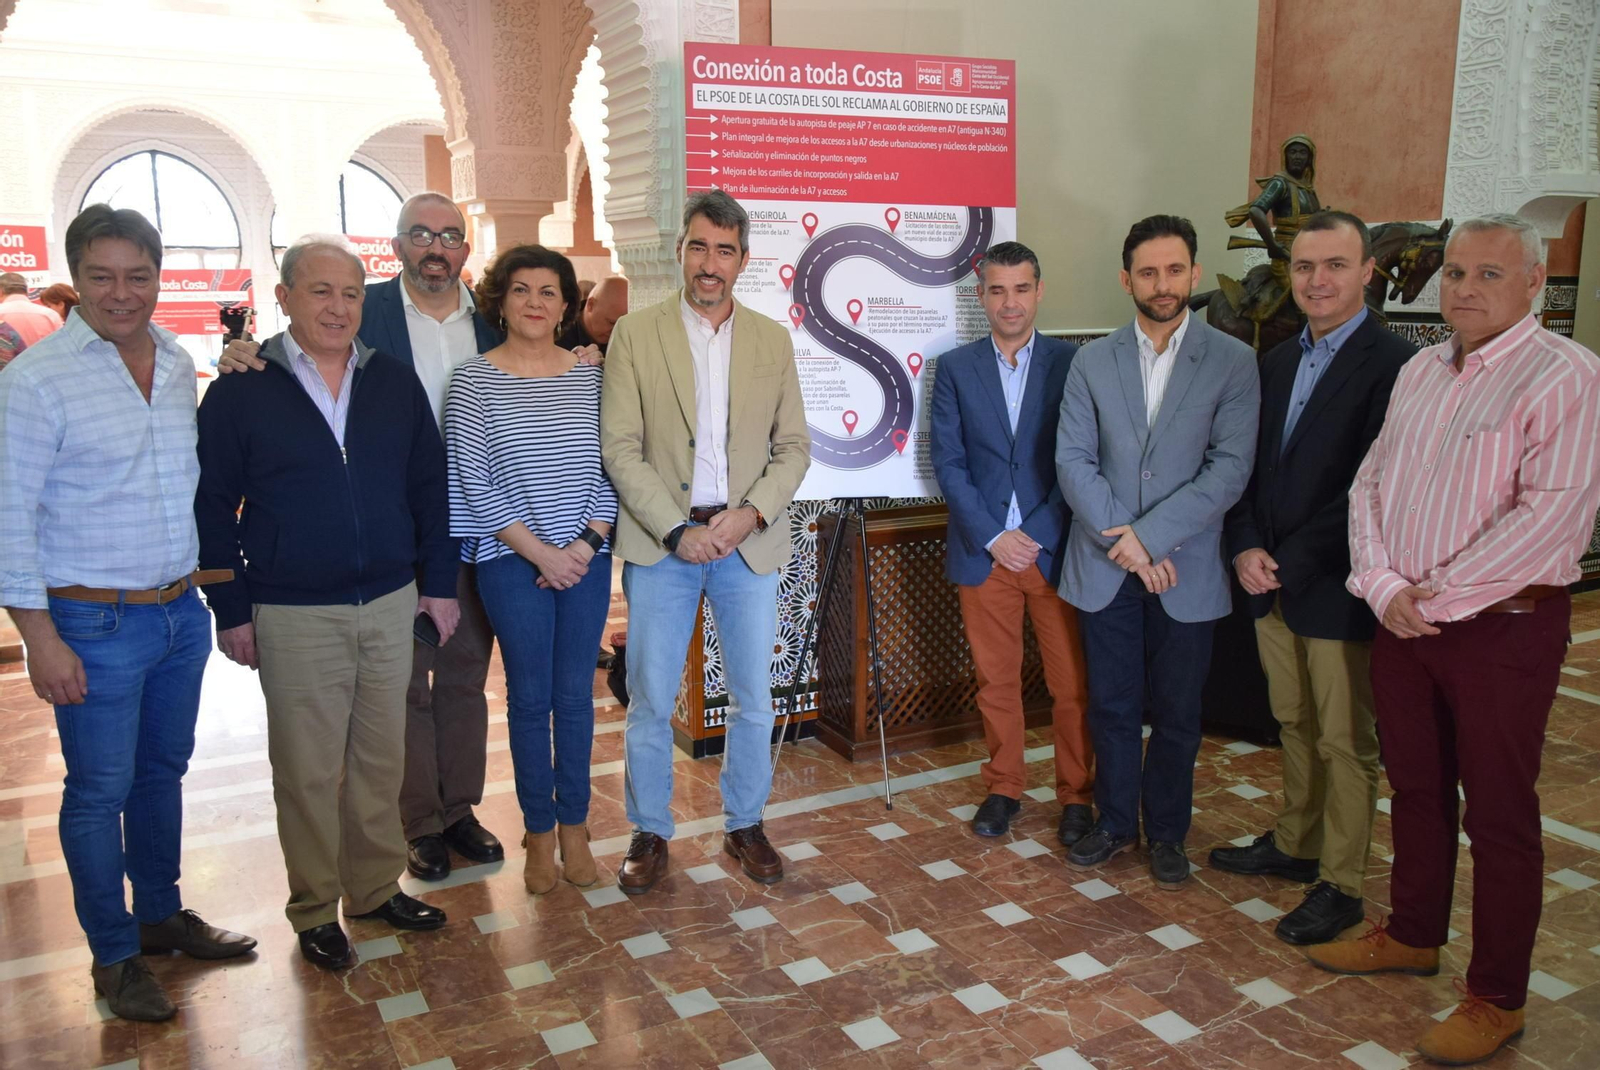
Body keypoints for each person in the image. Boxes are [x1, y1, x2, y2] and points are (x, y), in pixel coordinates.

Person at [1306, 214, 1600, 1066]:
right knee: (1418, 790)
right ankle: (1411, 933)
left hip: (1501, 632)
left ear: (1535, 282)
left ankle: (1497, 996)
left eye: (1489, 275)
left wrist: (1437, 597)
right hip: (1406, 622)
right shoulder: (1423, 369)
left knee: (1502, 815)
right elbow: (1371, 482)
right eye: (1457, 272)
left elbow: (1552, 519)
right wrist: (1387, 586)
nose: (1465, 288)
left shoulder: (1567, 377)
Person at [218, 193, 530, 882]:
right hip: (391, 532)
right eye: (421, 234)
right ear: (400, 245)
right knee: (402, 695)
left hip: (482, 528)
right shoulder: (370, 314)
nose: (436, 247)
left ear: (465, 250)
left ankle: (459, 810)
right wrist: (245, 352)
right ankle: (415, 820)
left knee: (464, 678)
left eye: (450, 235)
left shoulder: (491, 319)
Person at [0, 205, 255, 1023]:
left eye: (138, 276)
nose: (123, 294)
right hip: (90, 625)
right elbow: (9, 517)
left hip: (177, 613)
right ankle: (113, 956)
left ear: (156, 277)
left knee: (160, 776)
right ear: (76, 281)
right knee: (96, 790)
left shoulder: (179, 362)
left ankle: (159, 915)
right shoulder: (35, 381)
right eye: (103, 277)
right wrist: (38, 638)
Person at [195, 236, 457, 971]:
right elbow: (212, 508)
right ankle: (314, 908)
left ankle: (373, 888)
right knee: (307, 771)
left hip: (389, 601)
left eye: (348, 293)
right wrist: (233, 610)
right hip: (292, 611)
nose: (337, 307)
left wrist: (437, 583)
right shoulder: (240, 391)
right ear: (283, 299)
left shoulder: (393, 383)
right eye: (319, 292)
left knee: (381, 759)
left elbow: (429, 490)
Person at [1210, 211, 1413, 945]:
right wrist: (1242, 548)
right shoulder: (1276, 362)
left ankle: (1343, 883)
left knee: (1344, 740)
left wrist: (1289, 559)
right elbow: (1249, 472)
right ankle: (1297, 843)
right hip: (1268, 580)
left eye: (1334, 265)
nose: (1316, 280)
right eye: (1303, 267)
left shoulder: (1394, 364)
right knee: (1292, 723)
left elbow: (1371, 484)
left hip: (1336, 586)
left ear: (1367, 273)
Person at [601, 189, 810, 894]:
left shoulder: (771, 339)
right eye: (699, 247)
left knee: (755, 698)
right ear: (680, 252)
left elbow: (794, 449)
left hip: (746, 542)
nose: (710, 263)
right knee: (653, 699)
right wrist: (675, 528)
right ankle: (650, 831)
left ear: (743, 260)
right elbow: (621, 448)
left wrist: (748, 514)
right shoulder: (635, 334)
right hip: (665, 546)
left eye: (724, 250)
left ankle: (744, 823)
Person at [1055, 214, 1259, 889]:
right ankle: (1116, 824)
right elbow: (1074, 463)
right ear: (1127, 279)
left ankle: (1168, 832)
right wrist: (1129, 545)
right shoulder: (1092, 359)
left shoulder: (1234, 361)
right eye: (1148, 271)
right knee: (1112, 706)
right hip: (1107, 570)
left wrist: (1150, 538)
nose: (1162, 283)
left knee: (1177, 714)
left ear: (1195, 274)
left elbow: (1228, 469)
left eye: (1175, 270)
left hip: (1187, 568)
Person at [445, 244, 617, 895]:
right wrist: (541, 552)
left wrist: (584, 544)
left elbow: (612, 467)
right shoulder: (474, 381)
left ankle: (576, 829)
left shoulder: (590, 377)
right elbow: (475, 482)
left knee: (576, 698)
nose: (535, 302)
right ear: (500, 300)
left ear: (568, 305)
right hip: (509, 561)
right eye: (521, 290)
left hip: (587, 558)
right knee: (529, 698)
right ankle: (538, 833)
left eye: (549, 291)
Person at [929, 240, 1094, 845]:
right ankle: (1004, 787)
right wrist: (997, 536)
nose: (1010, 302)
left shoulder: (1074, 363)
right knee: (995, 682)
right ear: (982, 297)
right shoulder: (954, 368)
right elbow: (948, 463)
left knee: (1071, 685)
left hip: (1056, 551)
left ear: (1039, 291)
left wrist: (1037, 533)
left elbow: (1081, 461)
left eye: (1022, 288)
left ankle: (1077, 795)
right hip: (985, 553)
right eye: (997, 290)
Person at [558, 274, 629, 355]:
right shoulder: (556, 332)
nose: (615, 331)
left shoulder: (625, 339)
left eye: (622, 326)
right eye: (611, 323)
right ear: (590, 305)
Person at [0, 270, 63, 348]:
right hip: (44, 359)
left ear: (0, 291)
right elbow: (62, 345)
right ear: (27, 291)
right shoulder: (50, 315)